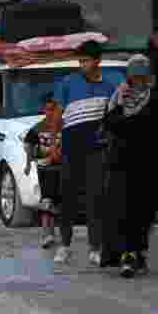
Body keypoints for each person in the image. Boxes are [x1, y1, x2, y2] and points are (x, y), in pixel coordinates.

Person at [100, 55, 158, 278]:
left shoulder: (156, 99)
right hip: (121, 165)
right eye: (135, 77)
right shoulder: (118, 98)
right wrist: (127, 117)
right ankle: (127, 254)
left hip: (147, 166)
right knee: (122, 211)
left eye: (142, 77)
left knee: (144, 212)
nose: (139, 82)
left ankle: (137, 251)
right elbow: (110, 123)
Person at [52, 39, 120, 267]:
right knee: (67, 198)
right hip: (71, 149)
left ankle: (95, 247)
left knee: (96, 199)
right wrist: (54, 145)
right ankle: (64, 245)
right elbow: (57, 115)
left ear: (97, 61)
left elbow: (114, 117)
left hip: (97, 151)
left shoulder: (110, 85)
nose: (82, 65)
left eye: (86, 61)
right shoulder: (68, 83)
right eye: (80, 61)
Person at [24, 97, 64, 249]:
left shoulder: (64, 126)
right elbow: (28, 143)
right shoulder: (38, 127)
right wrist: (28, 163)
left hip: (61, 168)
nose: (51, 113)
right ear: (44, 111)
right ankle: (47, 234)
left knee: (59, 202)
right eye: (48, 110)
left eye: (53, 110)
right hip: (45, 169)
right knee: (46, 201)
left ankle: (59, 234)